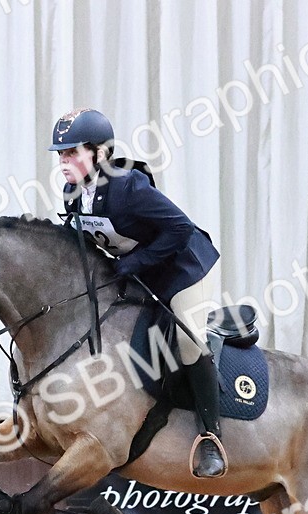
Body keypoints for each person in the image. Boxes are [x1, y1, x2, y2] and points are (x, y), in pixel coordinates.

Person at [49, 108, 226, 479]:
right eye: (61, 154)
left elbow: (179, 228)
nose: (64, 162)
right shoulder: (72, 193)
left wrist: (135, 262)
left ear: (99, 153)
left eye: (72, 153)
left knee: (188, 340)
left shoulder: (128, 187)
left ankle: (212, 437)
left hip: (183, 269)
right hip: (138, 271)